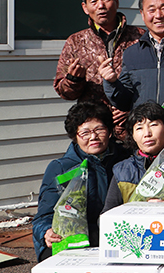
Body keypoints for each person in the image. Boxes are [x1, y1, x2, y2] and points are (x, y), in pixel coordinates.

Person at [32, 102, 124, 262]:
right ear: (75, 136)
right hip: (74, 238)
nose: (93, 137)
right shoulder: (61, 168)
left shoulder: (125, 160)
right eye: (85, 132)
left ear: (109, 131)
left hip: (113, 235)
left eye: (99, 130)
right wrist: (46, 231)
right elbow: (44, 215)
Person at [53, 0, 142, 134]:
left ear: (116, 2)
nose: (101, 5)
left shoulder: (140, 37)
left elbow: (152, 82)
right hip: (95, 130)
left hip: (133, 127)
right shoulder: (76, 41)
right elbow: (64, 92)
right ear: (85, 8)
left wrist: (134, 109)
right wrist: (74, 80)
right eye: (93, 1)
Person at [103, 102, 164, 212]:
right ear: (132, 135)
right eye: (139, 128)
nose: (147, 133)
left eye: (153, 125)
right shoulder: (123, 170)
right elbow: (106, 217)